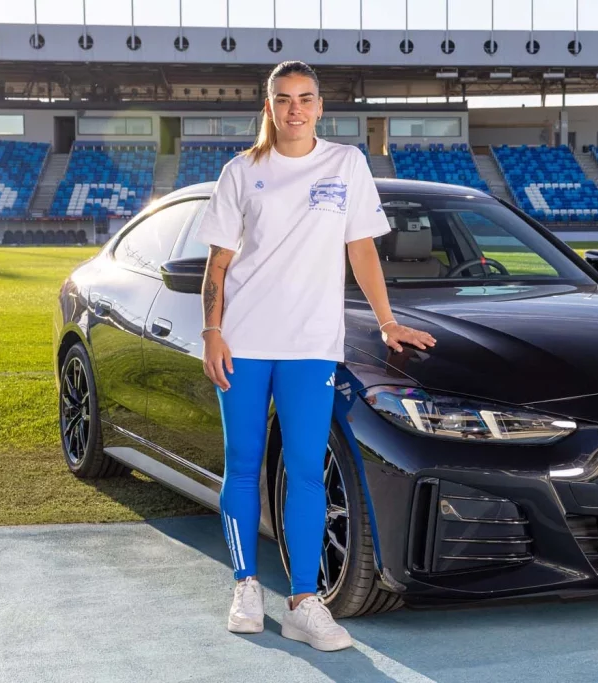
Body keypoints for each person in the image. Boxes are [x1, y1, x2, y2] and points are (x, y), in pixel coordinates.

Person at [193, 60, 436, 652]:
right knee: (245, 465)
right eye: (284, 99)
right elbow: (217, 266)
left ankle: (305, 602)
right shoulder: (241, 171)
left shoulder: (347, 164)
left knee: (304, 470)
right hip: (244, 343)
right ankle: (246, 585)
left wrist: (387, 322)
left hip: (310, 346)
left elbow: (363, 252)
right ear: (269, 106)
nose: (295, 109)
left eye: (305, 98)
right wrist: (211, 332)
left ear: (320, 106)